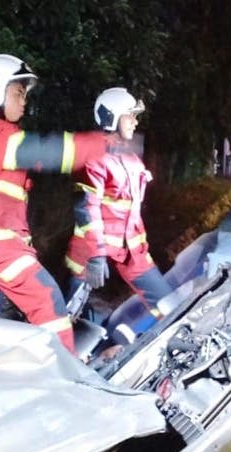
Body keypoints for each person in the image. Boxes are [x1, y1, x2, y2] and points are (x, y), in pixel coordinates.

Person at [0, 54, 106, 354]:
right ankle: (66, 378)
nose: (24, 102)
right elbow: (48, 152)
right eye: (18, 93)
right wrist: (104, 145)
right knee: (46, 299)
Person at [64, 87, 172, 345]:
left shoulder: (133, 160)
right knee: (65, 318)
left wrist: (143, 251)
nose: (135, 122)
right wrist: (97, 255)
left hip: (132, 252)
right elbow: (86, 208)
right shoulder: (92, 157)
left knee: (169, 304)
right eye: (130, 116)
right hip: (90, 254)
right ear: (111, 118)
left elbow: (132, 214)